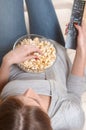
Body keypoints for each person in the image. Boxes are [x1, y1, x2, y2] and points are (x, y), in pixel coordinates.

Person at [0, 0, 86, 130]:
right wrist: (82, 49)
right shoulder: (69, 118)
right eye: (35, 101)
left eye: (14, 100)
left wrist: (7, 61)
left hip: (11, 54)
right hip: (52, 49)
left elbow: (1, 91)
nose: (29, 90)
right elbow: (74, 93)